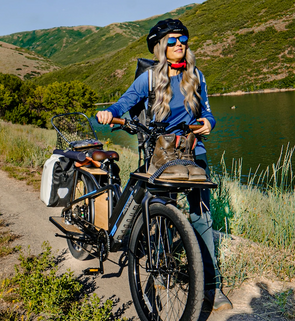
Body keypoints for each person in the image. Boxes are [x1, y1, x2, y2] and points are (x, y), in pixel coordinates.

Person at [96, 18, 233, 312]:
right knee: (160, 211)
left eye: (182, 39)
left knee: (202, 217)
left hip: (193, 152)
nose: (179, 44)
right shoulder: (148, 78)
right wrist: (109, 113)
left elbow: (208, 112)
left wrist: (207, 123)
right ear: (160, 47)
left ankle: (211, 287)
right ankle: (161, 270)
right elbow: (124, 103)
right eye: (171, 40)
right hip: (159, 153)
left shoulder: (197, 76)